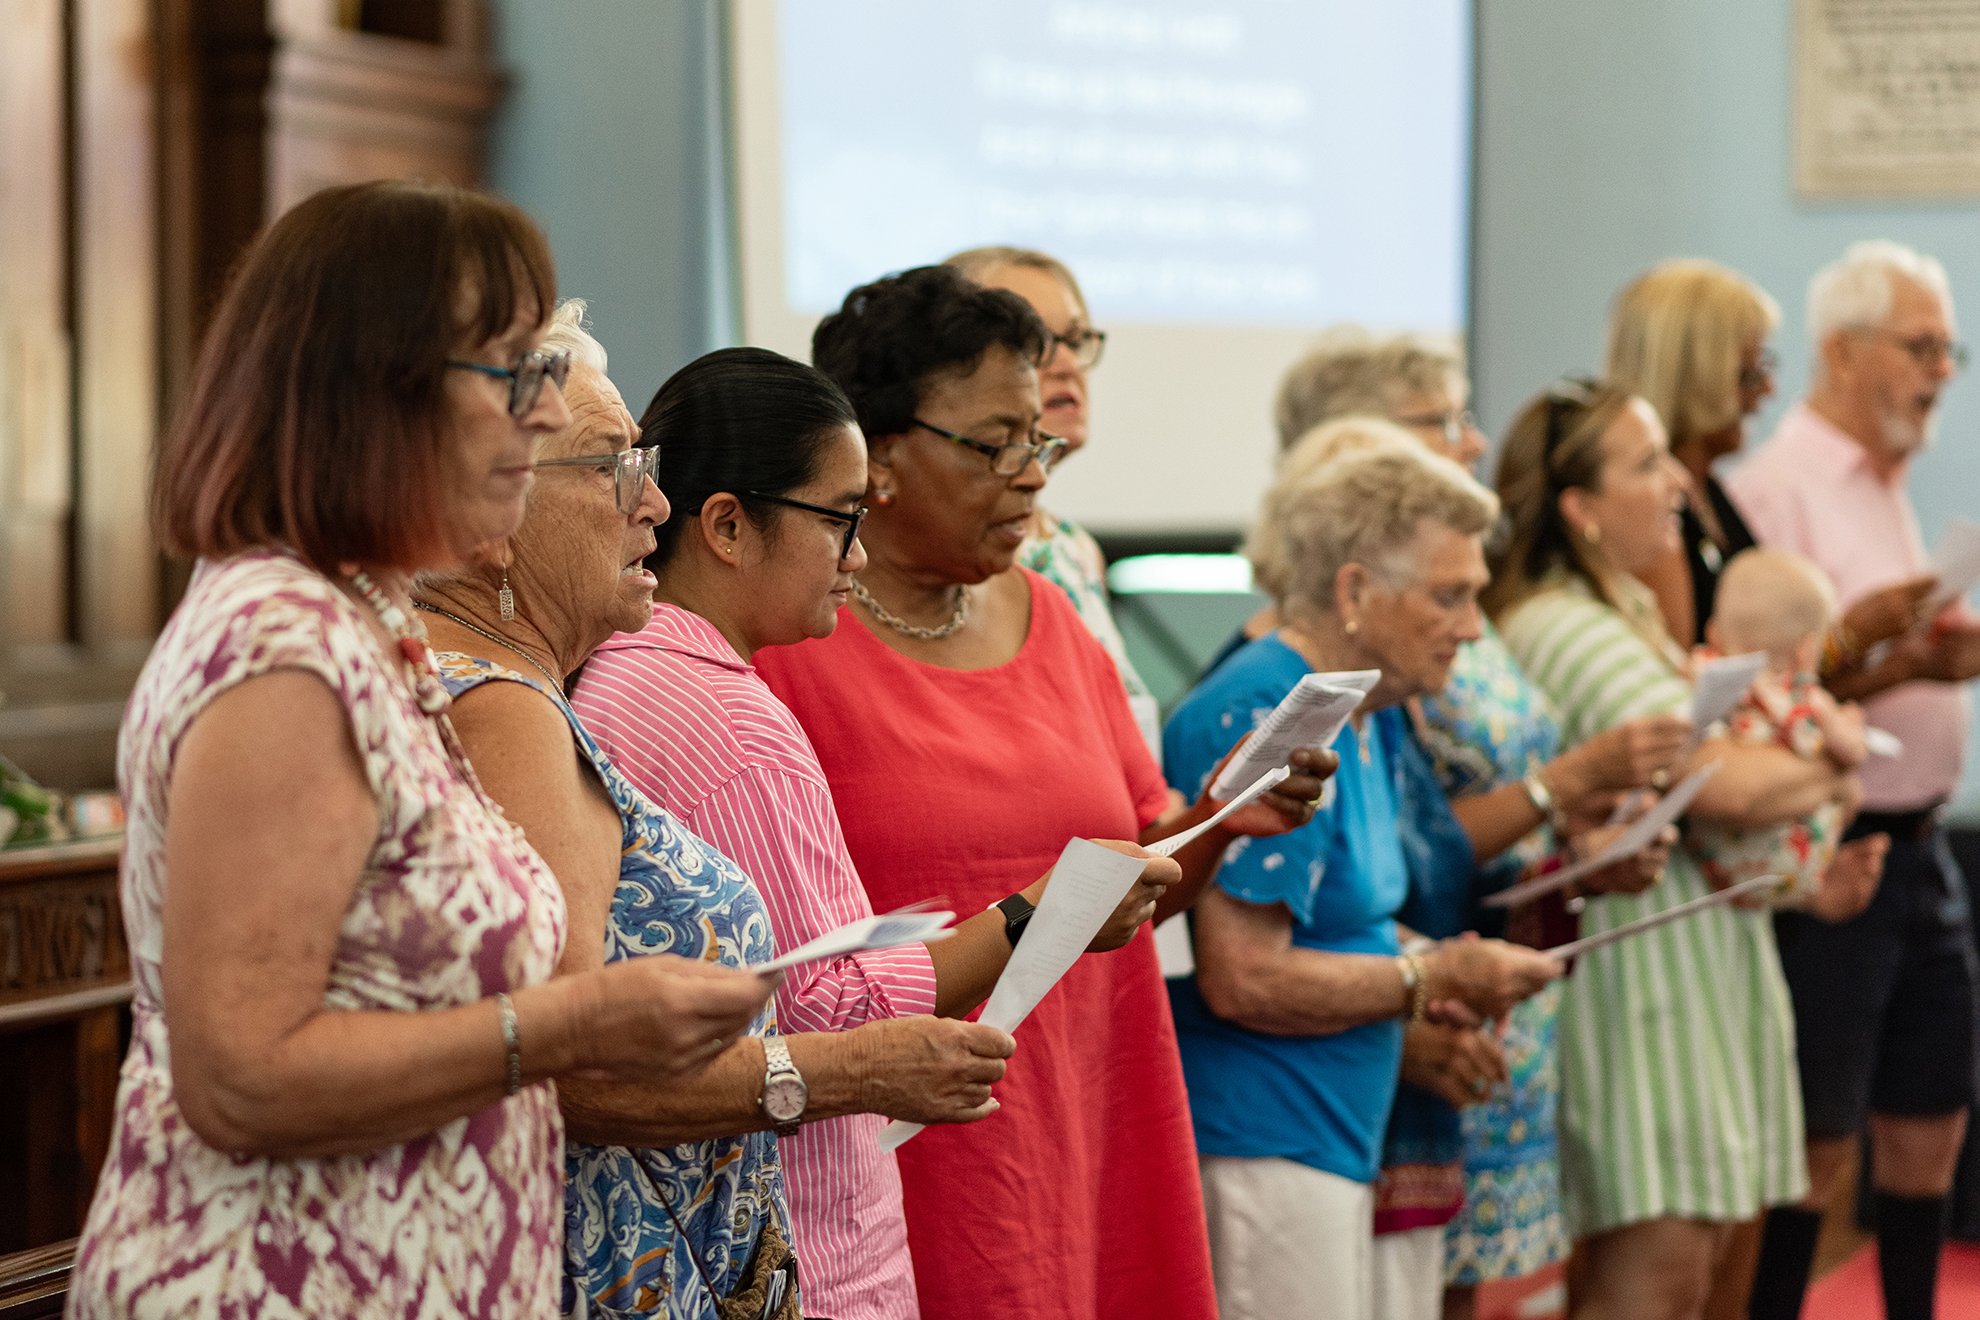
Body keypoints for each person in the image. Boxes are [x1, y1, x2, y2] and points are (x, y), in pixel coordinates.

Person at [68, 182, 775, 1317]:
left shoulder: (366, 619)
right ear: (371, 395)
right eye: (515, 376)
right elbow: (239, 1079)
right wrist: (576, 1024)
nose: (543, 421)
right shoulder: (283, 648)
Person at [414, 306, 1110, 1319]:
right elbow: (571, 1066)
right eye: (612, 467)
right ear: (491, 503)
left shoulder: (573, 682)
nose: (650, 503)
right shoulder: (632, 706)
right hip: (771, 1242)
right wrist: (1026, 922)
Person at [753, 264, 1334, 1320]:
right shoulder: (788, 648)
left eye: (1042, 442)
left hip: (1092, 1114)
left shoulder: (1054, 621)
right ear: (878, 459)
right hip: (902, 1147)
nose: (1033, 476)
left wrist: (1217, 815)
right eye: (997, 444)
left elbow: (1136, 875)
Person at [569, 342, 1180, 1320]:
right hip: (804, 1246)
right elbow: (830, 1006)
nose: (857, 556)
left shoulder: (636, 674)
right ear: (727, 525)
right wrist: (1038, 914)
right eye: (840, 520)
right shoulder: (726, 718)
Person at [1265, 336, 1692, 1317]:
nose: (1470, 439)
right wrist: (1562, 789)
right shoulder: (1298, 685)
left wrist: (1576, 864)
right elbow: (1266, 942)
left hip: (1457, 989)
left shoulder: (1405, 644)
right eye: (1440, 421)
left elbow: (1423, 849)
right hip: (1371, 1036)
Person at [1487, 378, 1865, 1320]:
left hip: (1677, 985)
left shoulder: (1618, 617)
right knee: (1651, 1279)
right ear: (1578, 510)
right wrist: (1834, 756)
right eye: (1646, 464)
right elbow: (1724, 786)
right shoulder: (1564, 626)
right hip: (1641, 999)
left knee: (1689, 1277)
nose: (1678, 487)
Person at [1166, 428, 1564, 1320]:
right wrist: (1432, 976)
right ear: (1353, 590)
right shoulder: (1267, 707)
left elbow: (1352, 918)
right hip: (1267, 1140)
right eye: (1450, 597)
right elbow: (1245, 977)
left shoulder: (1365, 706)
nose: (1471, 628)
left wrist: (1444, 962)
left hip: (1338, 1136)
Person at [1728, 240, 1980, 1320]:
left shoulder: (1886, 482)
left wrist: (1930, 659)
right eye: (1920, 346)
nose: (1940, 371)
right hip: (1830, 858)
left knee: (1931, 1119)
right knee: (1818, 1141)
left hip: (1924, 846)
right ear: (1842, 350)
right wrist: (1888, 662)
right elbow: (1766, 685)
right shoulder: (1774, 491)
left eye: (1948, 348)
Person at [944, 246, 1161, 753]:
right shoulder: (955, 553)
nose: (1066, 365)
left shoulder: (1074, 548)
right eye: (1036, 341)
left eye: (1076, 339)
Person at [1603, 259, 1779, 646]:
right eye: (1748, 375)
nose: (1767, 391)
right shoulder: (1653, 514)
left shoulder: (1709, 490)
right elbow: (1681, 683)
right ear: (1698, 380)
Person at [1688, 548, 1870, 908]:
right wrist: (1850, 733)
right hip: (1784, 868)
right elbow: (1852, 756)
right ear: (1807, 650)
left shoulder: (1704, 674)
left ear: (1713, 633)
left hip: (1712, 861)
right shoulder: (1806, 703)